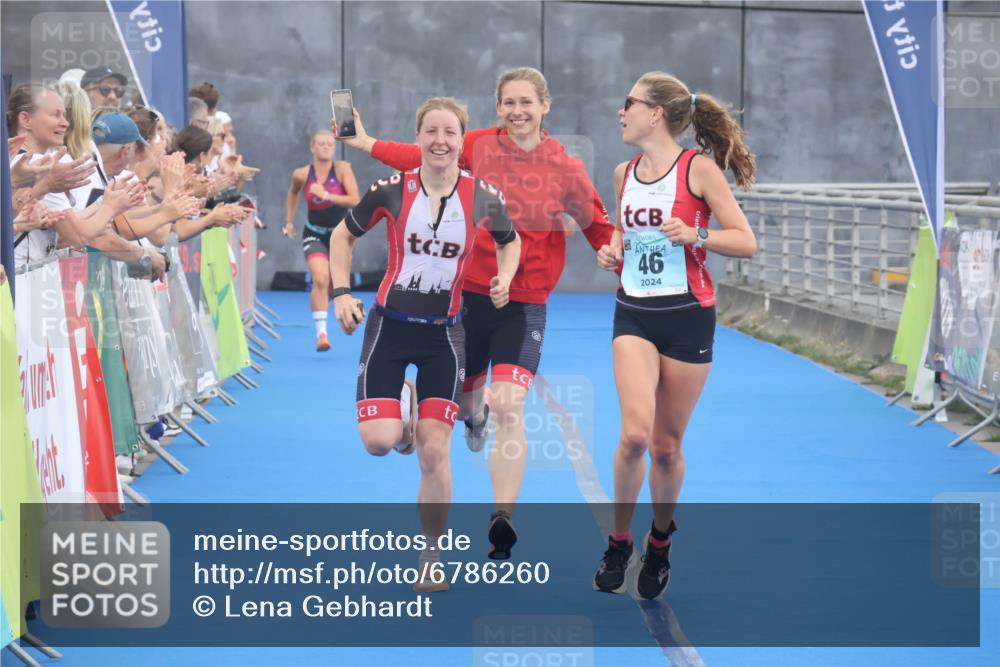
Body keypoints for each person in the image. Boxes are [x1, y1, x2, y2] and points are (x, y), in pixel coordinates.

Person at [339, 67, 614, 560]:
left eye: (526, 102)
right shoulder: (478, 144)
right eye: (508, 102)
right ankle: (467, 415)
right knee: (467, 408)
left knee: (509, 404)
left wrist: (610, 252)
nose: (517, 111)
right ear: (498, 108)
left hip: (522, 302)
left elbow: (597, 224)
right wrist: (366, 143)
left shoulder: (566, 168)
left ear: (544, 106)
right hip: (464, 299)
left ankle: (501, 519)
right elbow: (421, 156)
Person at [330, 97, 520, 590]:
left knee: (436, 453)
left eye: (450, 133)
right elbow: (340, 237)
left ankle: (430, 559)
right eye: (431, 131)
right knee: (379, 443)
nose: (440, 141)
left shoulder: (482, 196)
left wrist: (505, 277)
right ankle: (404, 410)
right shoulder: (391, 191)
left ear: (462, 140)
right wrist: (341, 293)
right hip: (389, 328)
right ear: (417, 138)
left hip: (445, 336)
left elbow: (510, 240)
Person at [592, 71, 757, 599]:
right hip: (634, 313)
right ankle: (619, 541)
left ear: (655, 113)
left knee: (665, 447)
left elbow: (745, 241)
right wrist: (611, 251)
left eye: (629, 103)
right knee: (635, 435)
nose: (621, 112)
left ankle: (660, 541)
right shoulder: (623, 173)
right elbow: (624, 231)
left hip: (688, 316)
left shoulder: (699, 170)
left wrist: (697, 233)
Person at [284, 130, 360, 351]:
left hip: (340, 235)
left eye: (329, 144)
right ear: (312, 147)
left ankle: (322, 304)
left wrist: (327, 195)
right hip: (314, 232)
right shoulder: (301, 174)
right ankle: (322, 334)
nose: (326, 147)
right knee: (320, 277)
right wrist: (289, 221)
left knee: (332, 285)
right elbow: (292, 193)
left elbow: (355, 200)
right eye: (321, 144)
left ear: (334, 148)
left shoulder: (343, 169)